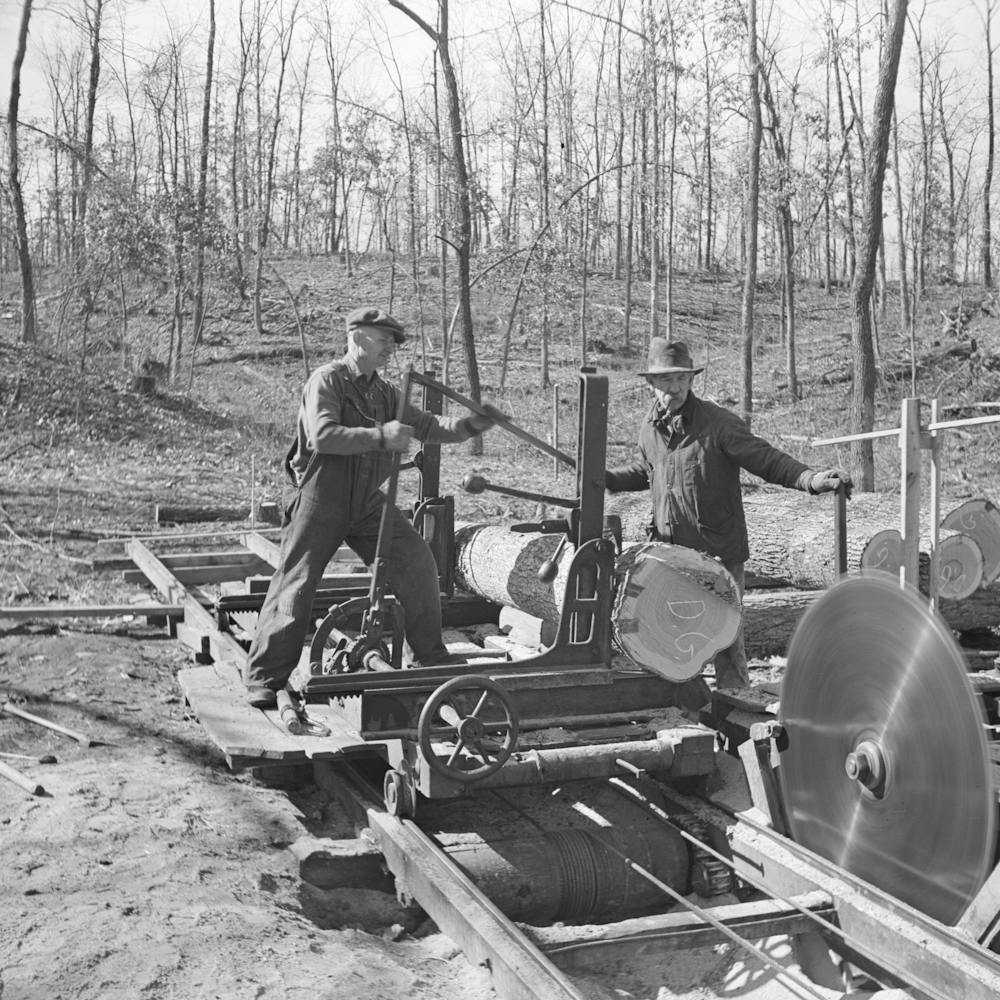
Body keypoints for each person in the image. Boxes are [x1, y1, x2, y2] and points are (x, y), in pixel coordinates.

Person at [243, 306, 501, 708]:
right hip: (321, 498)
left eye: (392, 343)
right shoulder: (327, 380)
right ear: (357, 337)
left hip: (365, 501)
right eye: (383, 340)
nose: (389, 349)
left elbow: (427, 425)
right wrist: (381, 436)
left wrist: (470, 425)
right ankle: (265, 677)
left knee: (416, 560)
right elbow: (324, 436)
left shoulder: (385, 393)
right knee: (297, 582)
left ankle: (429, 656)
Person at [605, 338, 852, 690]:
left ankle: (733, 704)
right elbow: (647, 471)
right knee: (673, 638)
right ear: (651, 384)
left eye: (681, 379)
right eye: (666, 380)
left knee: (725, 640)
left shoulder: (718, 424)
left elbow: (766, 459)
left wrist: (810, 479)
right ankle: (687, 706)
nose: (674, 388)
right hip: (670, 556)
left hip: (717, 554)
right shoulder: (651, 428)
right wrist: (609, 479)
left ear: (691, 380)